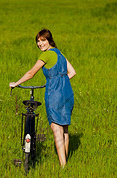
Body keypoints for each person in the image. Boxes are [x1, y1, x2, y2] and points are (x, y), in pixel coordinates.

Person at [9, 29, 76, 167]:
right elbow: (72, 72)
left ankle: (63, 167)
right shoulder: (60, 53)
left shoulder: (46, 56)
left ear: (49, 40)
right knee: (64, 128)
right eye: (38, 41)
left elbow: (31, 73)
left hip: (55, 94)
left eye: (43, 40)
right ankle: (66, 161)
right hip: (67, 92)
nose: (40, 44)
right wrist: (60, 81)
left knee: (56, 128)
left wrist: (16, 83)